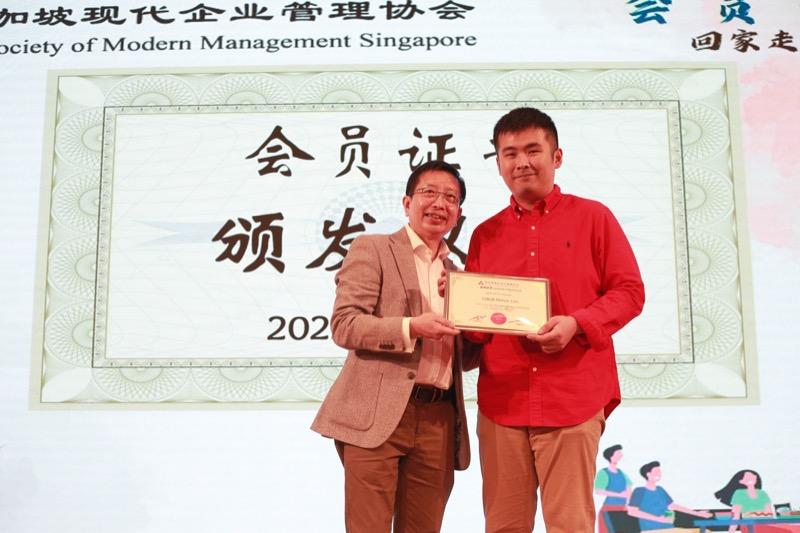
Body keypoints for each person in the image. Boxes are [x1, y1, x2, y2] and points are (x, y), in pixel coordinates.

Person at [464, 106, 646, 532]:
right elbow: (476, 328)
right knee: (503, 526)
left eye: (533, 150)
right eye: (509, 154)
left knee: (570, 525)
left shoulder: (594, 217)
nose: (521, 162)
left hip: (572, 397)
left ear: (557, 156)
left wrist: (576, 324)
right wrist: (455, 302)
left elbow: (629, 292)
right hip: (503, 401)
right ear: (498, 163)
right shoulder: (485, 234)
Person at [311, 160, 473, 533]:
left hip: (438, 418)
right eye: (429, 192)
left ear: (458, 214)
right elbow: (345, 325)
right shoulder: (373, 248)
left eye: (450, 198)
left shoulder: (460, 278)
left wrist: (491, 322)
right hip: (377, 413)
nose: (439, 203)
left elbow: (466, 356)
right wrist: (411, 327)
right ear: (407, 202)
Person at [627, 461, 712, 531]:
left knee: (705, 531)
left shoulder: (660, 489)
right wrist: (658, 519)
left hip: (669, 528)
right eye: (656, 472)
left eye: (660, 472)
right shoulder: (639, 491)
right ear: (648, 474)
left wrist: (697, 513)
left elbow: (672, 506)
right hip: (652, 530)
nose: (659, 474)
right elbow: (632, 511)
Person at [595, 444, 633, 533]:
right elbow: (598, 490)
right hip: (609, 509)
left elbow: (629, 488)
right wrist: (619, 495)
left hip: (623, 509)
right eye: (618, 454)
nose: (621, 456)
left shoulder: (622, 473)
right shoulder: (603, 473)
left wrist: (629, 504)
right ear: (611, 457)